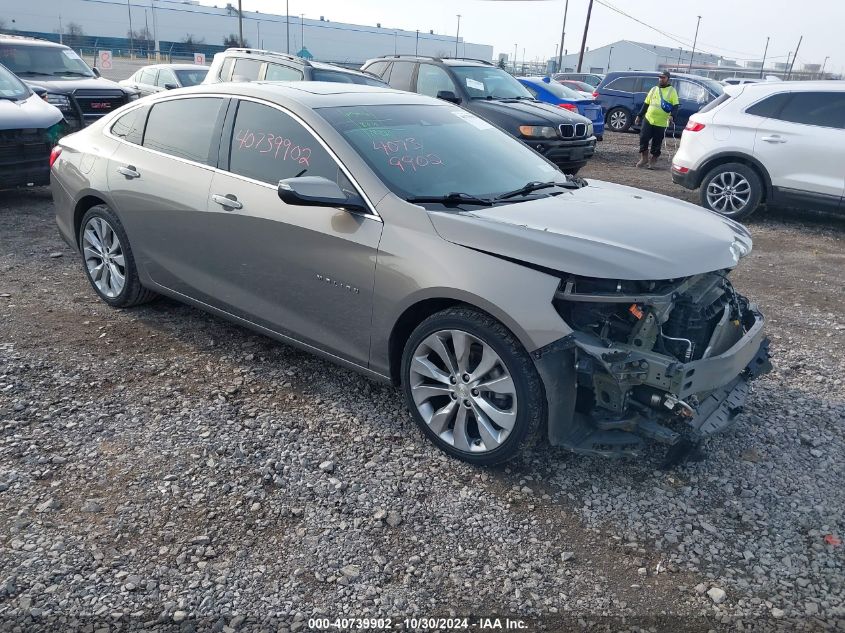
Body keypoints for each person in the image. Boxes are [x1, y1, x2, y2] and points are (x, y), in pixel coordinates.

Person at [635, 70, 680, 169]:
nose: (661, 79)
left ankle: (653, 160)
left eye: (663, 77)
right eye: (660, 77)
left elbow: (676, 106)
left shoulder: (672, 91)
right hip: (649, 118)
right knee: (643, 137)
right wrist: (639, 115)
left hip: (661, 122)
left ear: (668, 79)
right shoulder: (654, 89)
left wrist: (672, 116)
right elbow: (646, 103)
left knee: (657, 142)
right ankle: (644, 158)